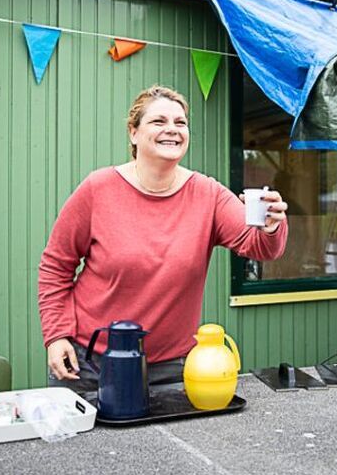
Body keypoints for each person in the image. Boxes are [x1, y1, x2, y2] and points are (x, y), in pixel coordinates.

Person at [38, 85, 288, 394]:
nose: (172, 129)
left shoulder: (207, 194)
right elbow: (55, 268)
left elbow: (260, 246)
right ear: (133, 132)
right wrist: (57, 334)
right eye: (158, 121)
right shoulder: (97, 189)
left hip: (170, 369)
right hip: (89, 363)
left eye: (180, 123)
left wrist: (271, 224)